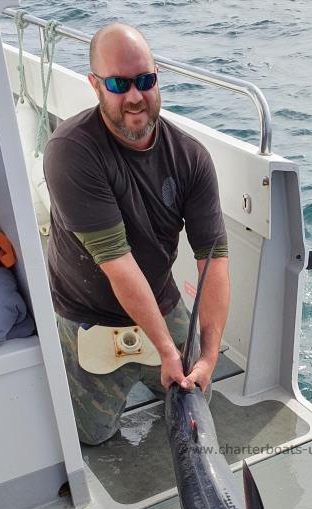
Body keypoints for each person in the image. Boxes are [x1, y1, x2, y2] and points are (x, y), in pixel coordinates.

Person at [43, 23, 229, 445]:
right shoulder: (71, 151)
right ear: (95, 85)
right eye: (117, 83)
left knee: (196, 403)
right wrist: (167, 352)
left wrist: (209, 355)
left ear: (157, 76)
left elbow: (213, 261)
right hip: (85, 310)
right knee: (90, 437)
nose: (134, 96)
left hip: (159, 299)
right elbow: (117, 263)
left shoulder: (191, 159)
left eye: (144, 80)